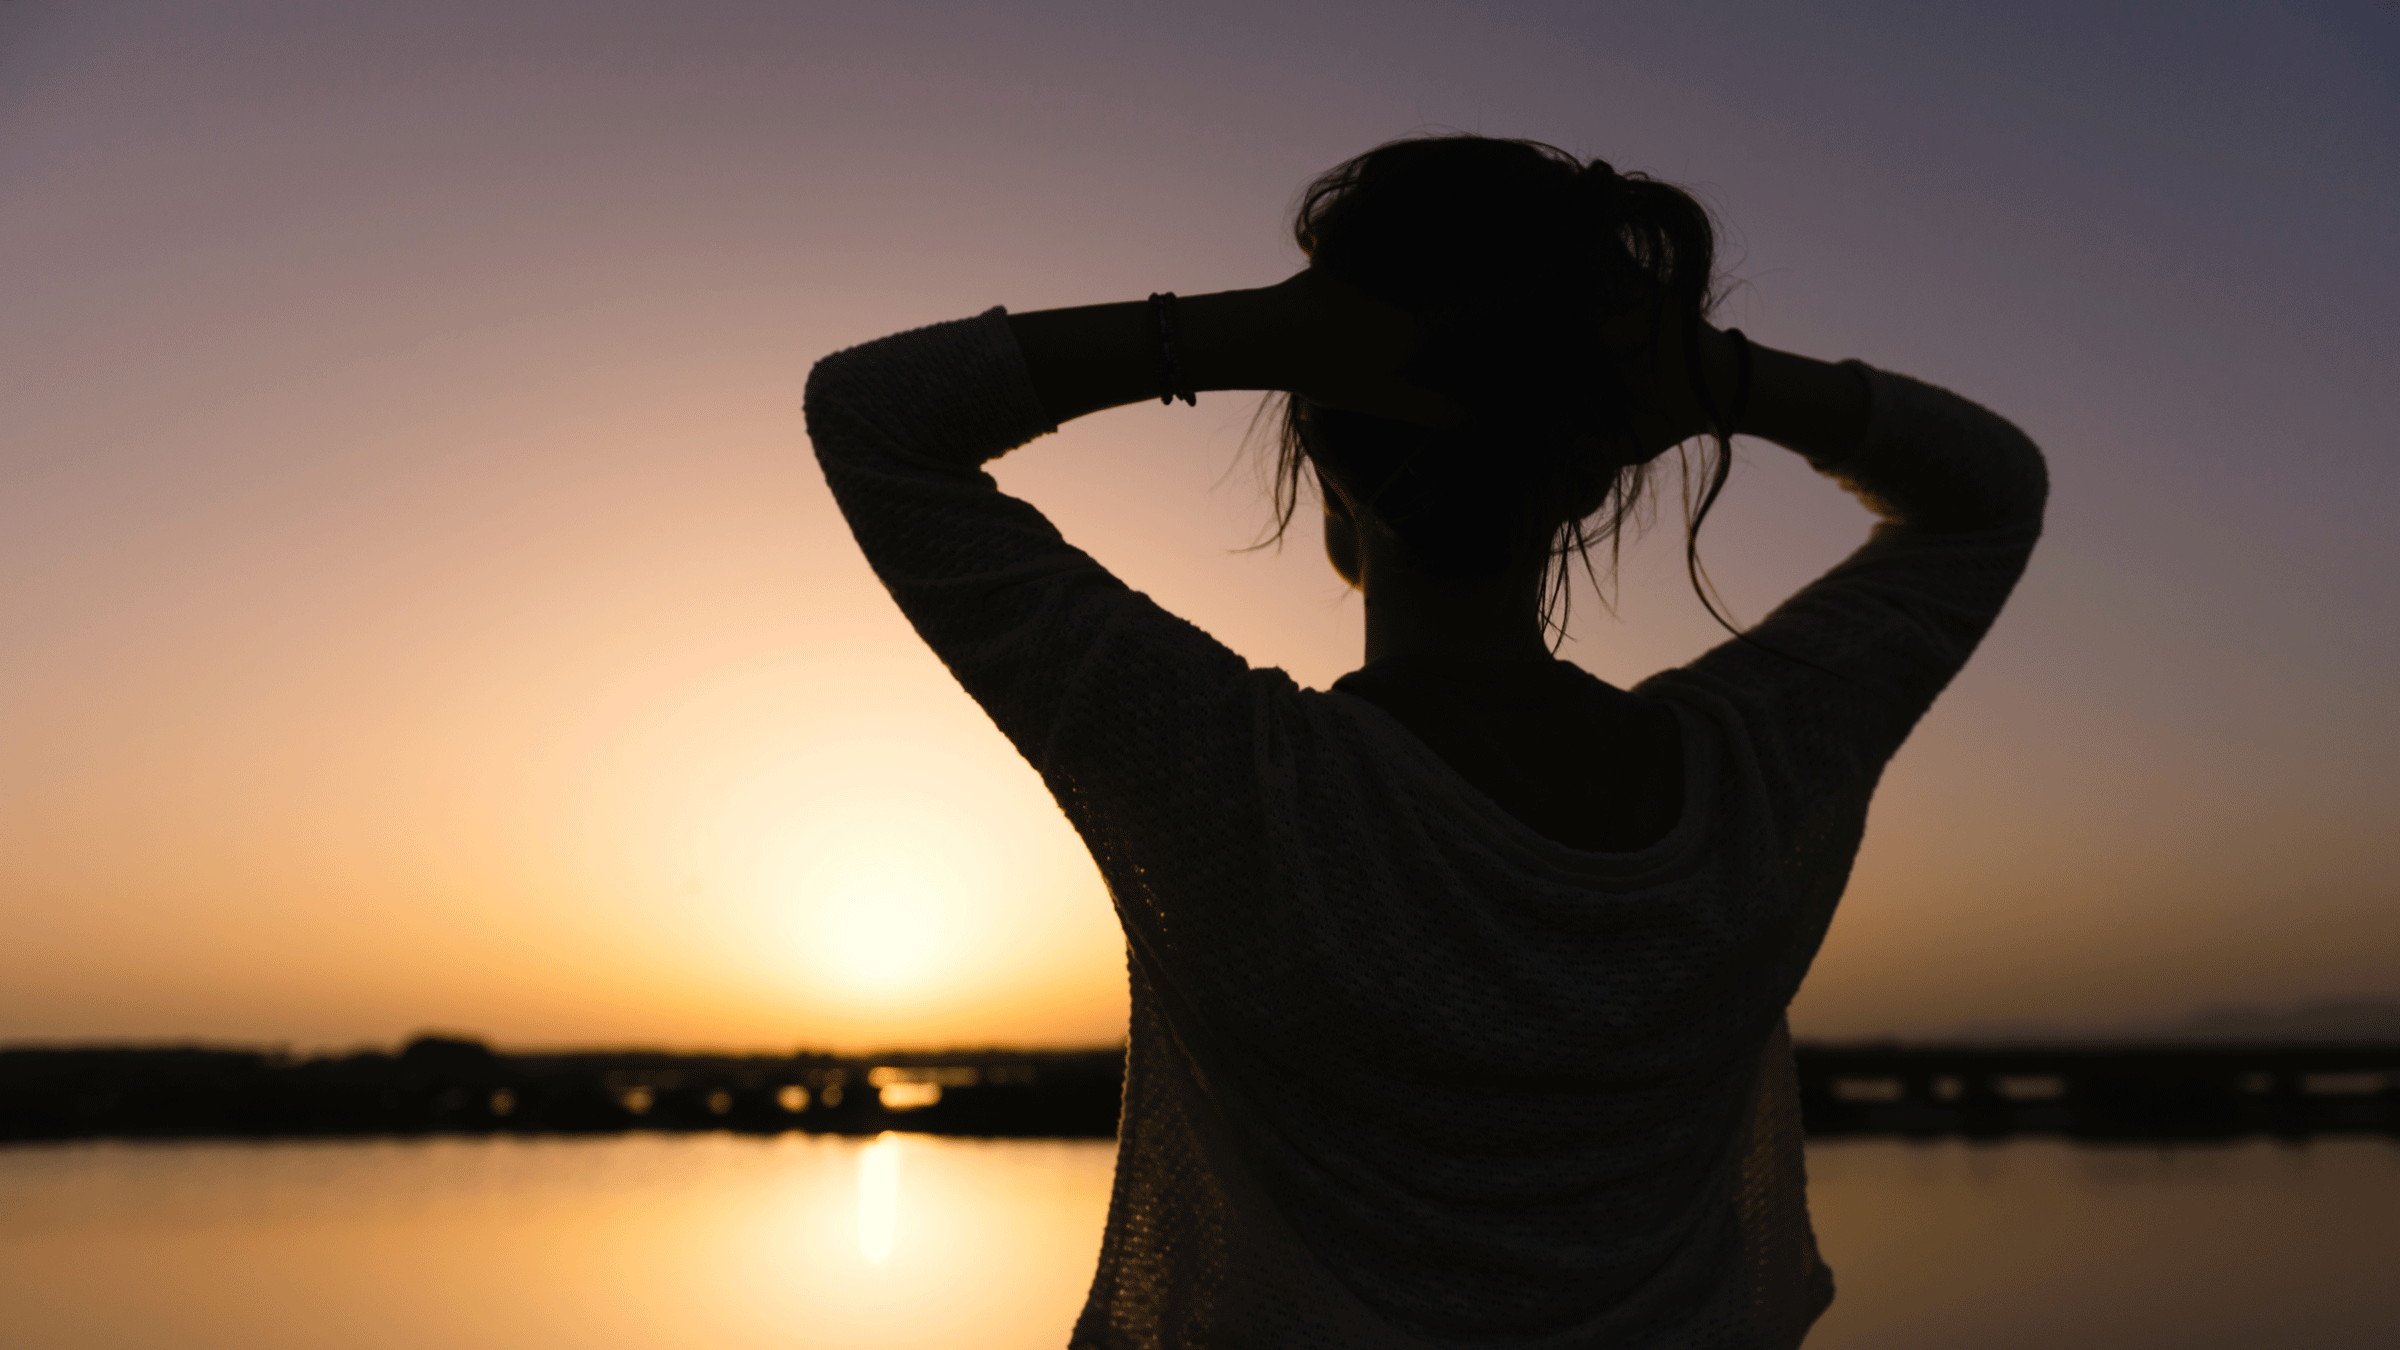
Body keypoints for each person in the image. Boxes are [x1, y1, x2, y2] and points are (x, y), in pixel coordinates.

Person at [805, 135, 2046, 1349]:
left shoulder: (1227, 776)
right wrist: (1715, 377)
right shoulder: (1756, 773)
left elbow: (874, 414)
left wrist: (1251, 336)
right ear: (1594, 474)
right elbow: (1989, 491)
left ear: (1329, 456)